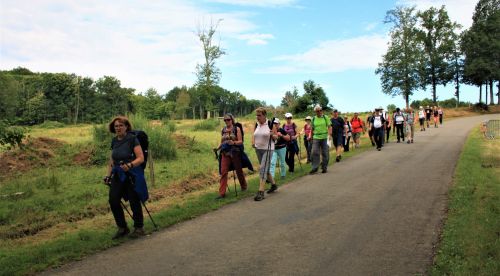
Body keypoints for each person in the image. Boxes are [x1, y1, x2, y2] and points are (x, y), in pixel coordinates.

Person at [105, 116, 147, 239]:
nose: (118, 128)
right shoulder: (114, 141)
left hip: (132, 173)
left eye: (120, 125)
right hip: (118, 174)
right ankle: (122, 228)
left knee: (134, 200)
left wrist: (130, 165)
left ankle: (139, 228)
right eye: (116, 126)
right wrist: (108, 175)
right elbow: (112, 160)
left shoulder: (132, 139)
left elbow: (140, 158)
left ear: (126, 127)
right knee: (113, 200)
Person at [215, 113, 248, 199]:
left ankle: (244, 186)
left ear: (232, 119)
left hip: (235, 153)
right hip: (225, 153)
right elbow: (222, 142)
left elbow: (240, 141)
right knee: (223, 172)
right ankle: (222, 193)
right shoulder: (223, 130)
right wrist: (217, 148)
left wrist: (233, 142)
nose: (226, 121)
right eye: (225, 120)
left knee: (238, 171)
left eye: (228, 119)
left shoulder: (236, 129)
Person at [252, 107, 278, 201]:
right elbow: (254, 134)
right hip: (258, 149)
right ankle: (274, 185)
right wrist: (253, 143)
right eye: (257, 115)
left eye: (259, 115)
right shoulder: (257, 124)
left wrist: (272, 135)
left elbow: (276, 137)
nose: (257, 117)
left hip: (268, 149)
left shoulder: (270, 124)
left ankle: (261, 191)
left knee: (263, 168)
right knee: (265, 170)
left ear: (264, 115)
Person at [309, 104, 332, 174]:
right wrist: (311, 137)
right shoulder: (313, 119)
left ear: (322, 110)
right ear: (315, 111)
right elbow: (312, 129)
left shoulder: (325, 117)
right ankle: (315, 168)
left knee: (325, 153)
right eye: (317, 111)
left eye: (320, 110)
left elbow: (329, 127)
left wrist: (329, 135)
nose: (319, 112)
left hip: (325, 137)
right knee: (314, 152)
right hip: (316, 137)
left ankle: (324, 167)